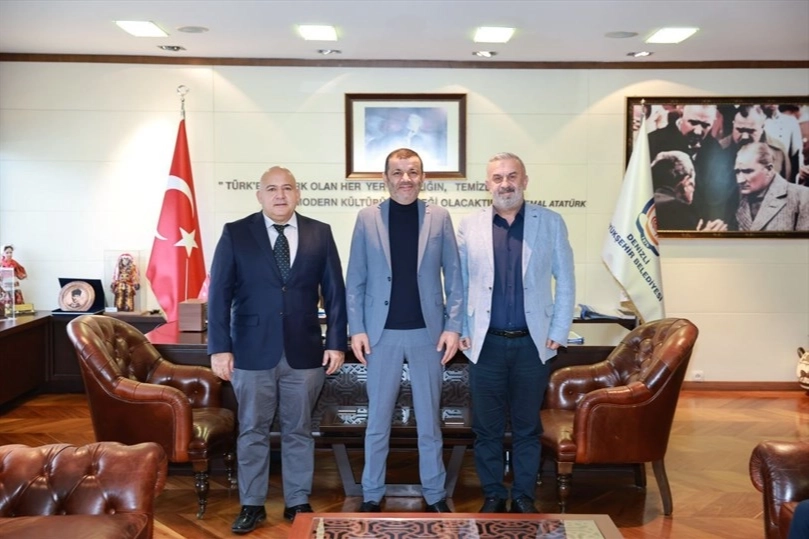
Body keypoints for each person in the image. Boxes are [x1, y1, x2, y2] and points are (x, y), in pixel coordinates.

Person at [207, 166, 347, 534]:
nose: (280, 195)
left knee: (298, 429)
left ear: (298, 194)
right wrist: (219, 348)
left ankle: (297, 501)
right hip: (251, 352)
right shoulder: (236, 233)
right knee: (252, 430)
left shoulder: (320, 232)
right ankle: (252, 504)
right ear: (259, 195)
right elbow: (219, 294)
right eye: (271, 189)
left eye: (287, 188)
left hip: (305, 352)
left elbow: (335, 293)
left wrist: (336, 342)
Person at [346, 147, 463, 513]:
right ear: (386, 178)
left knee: (430, 423)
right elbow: (355, 280)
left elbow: (455, 278)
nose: (405, 179)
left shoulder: (439, 217)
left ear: (422, 177)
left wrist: (453, 327)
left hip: (429, 335)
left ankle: (435, 494)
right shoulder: (367, 218)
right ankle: (371, 493)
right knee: (377, 422)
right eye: (397, 172)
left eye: (412, 172)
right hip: (381, 336)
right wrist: (357, 329)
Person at [457, 152, 575, 514]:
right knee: (486, 429)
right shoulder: (469, 226)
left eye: (512, 176)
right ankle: (493, 493)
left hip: (532, 344)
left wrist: (559, 328)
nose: (505, 184)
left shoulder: (550, 222)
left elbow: (566, 279)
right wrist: (461, 328)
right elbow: (459, 284)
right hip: (485, 344)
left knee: (527, 427)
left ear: (524, 180)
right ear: (487, 184)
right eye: (497, 178)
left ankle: (524, 495)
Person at [648, 105, 736, 228]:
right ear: (682, 115)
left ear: (713, 123)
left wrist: (715, 222)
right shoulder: (653, 142)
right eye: (693, 123)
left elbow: (721, 196)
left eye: (705, 125)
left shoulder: (716, 151)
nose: (698, 131)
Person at [734, 142, 809, 232]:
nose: (740, 180)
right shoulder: (735, 200)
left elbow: (804, 240)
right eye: (737, 172)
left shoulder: (803, 197)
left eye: (748, 171)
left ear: (769, 169)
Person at [651, 151, 727, 232]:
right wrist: (704, 236)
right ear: (686, 181)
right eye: (692, 184)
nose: (693, 191)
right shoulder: (679, 209)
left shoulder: (647, 204)